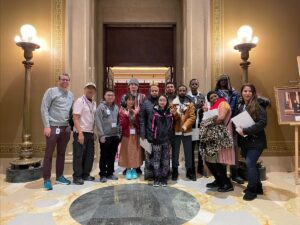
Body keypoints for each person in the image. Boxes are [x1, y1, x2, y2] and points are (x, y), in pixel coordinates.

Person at [235, 83, 269, 201]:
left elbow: (263, 122)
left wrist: (246, 130)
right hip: (245, 141)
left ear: (253, 93)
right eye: (245, 91)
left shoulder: (258, 104)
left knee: (250, 163)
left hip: (256, 140)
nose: (247, 93)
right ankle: (258, 187)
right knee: (251, 164)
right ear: (242, 93)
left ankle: (252, 190)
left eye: (250, 91)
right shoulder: (241, 105)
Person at [41, 73, 74, 190]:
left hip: (65, 128)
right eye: (63, 79)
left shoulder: (71, 95)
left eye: (67, 80)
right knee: (48, 154)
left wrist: (71, 126)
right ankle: (46, 179)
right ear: (58, 80)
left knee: (61, 153)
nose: (65, 81)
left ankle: (59, 176)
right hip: (53, 126)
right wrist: (46, 126)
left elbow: (71, 112)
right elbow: (44, 108)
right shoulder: (51, 91)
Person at [201, 91, 235, 192]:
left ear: (218, 96)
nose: (214, 98)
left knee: (220, 160)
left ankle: (226, 184)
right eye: (211, 98)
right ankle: (219, 180)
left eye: (215, 96)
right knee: (211, 159)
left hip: (222, 135)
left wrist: (207, 120)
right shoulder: (212, 107)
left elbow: (220, 118)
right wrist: (206, 112)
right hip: (213, 137)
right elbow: (206, 120)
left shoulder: (223, 103)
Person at [215, 74, 244, 184]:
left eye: (224, 80)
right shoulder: (216, 94)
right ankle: (222, 175)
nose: (223, 82)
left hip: (233, 123)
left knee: (234, 149)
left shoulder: (235, 93)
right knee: (221, 149)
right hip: (220, 124)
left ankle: (234, 174)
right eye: (221, 80)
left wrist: (235, 121)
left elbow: (238, 107)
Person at [72, 82, 97, 185]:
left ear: (94, 91)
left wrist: (94, 131)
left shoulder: (94, 103)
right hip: (81, 132)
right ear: (84, 89)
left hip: (90, 132)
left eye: (92, 88)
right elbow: (75, 118)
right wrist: (80, 133)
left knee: (89, 155)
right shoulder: (80, 101)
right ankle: (77, 176)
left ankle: (86, 174)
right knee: (79, 155)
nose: (90, 90)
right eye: (88, 88)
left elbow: (93, 118)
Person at [170, 85, 196, 181]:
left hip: (187, 130)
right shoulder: (173, 103)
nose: (182, 91)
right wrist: (175, 113)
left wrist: (185, 125)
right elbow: (173, 118)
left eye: (183, 90)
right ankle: (175, 170)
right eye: (180, 90)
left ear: (186, 91)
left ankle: (189, 170)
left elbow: (192, 117)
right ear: (177, 91)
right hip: (176, 131)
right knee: (175, 152)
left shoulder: (190, 104)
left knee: (188, 152)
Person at [120, 78, 146, 175]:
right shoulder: (124, 96)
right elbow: (122, 108)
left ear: (138, 86)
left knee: (138, 148)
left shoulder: (142, 96)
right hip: (127, 126)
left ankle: (137, 166)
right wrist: (127, 115)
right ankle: (128, 167)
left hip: (138, 124)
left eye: (135, 84)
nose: (133, 86)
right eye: (132, 84)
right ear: (129, 86)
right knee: (127, 148)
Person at [95, 89, 121, 183]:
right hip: (105, 136)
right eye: (108, 95)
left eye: (112, 95)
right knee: (104, 156)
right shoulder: (100, 107)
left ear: (114, 97)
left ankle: (110, 173)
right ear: (105, 96)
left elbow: (119, 121)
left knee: (112, 156)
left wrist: (118, 134)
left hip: (115, 135)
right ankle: (102, 174)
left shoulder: (116, 107)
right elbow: (98, 122)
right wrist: (101, 135)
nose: (110, 97)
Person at [150, 95, 173, 187]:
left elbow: (171, 127)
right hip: (156, 140)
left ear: (166, 102)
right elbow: (151, 127)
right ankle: (157, 178)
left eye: (164, 100)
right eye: (160, 100)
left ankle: (164, 177)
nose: (162, 102)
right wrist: (152, 138)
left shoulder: (170, 113)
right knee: (156, 159)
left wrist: (170, 139)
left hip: (166, 140)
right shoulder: (154, 112)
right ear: (158, 101)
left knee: (166, 159)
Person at [139, 84, 160, 180]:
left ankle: (157, 174)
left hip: (160, 134)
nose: (155, 92)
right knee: (148, 155)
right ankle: (148, 175)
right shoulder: (145, 103)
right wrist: (142, 133)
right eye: (153, 91)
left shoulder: (162, 101)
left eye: (156, 91)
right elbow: (142, 119)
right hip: (148, 133)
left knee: (157, 155)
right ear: (150, 92)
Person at [187, 78, 205, 176]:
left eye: (196, 84)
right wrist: (195, 107)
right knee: (191, 148)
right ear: (190, 85)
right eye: (192, 84)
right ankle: (191, 169)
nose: (194, 86)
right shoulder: (186, 97)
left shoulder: (202, 96)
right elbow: (185, 111)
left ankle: (200, 168)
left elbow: (206, 108)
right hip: (192, 127)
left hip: (200, 125)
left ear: (198, 85)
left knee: (201, 148)